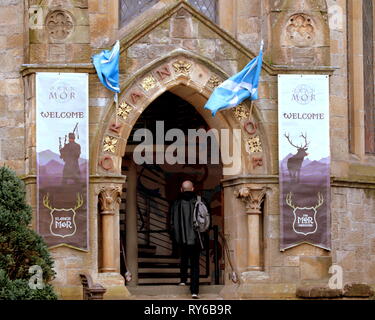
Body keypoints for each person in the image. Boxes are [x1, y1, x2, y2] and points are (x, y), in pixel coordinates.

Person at [170, 180, 208, 299]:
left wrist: (175, 237)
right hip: (196, 237)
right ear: (192, 189)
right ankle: (194, 291)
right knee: (195, 264)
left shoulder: (175, 203)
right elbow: (206, 220)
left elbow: (171, 222)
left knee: (184, 258)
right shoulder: (200, 201)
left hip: (181, 238)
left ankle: (183, 280)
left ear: (181, 189)